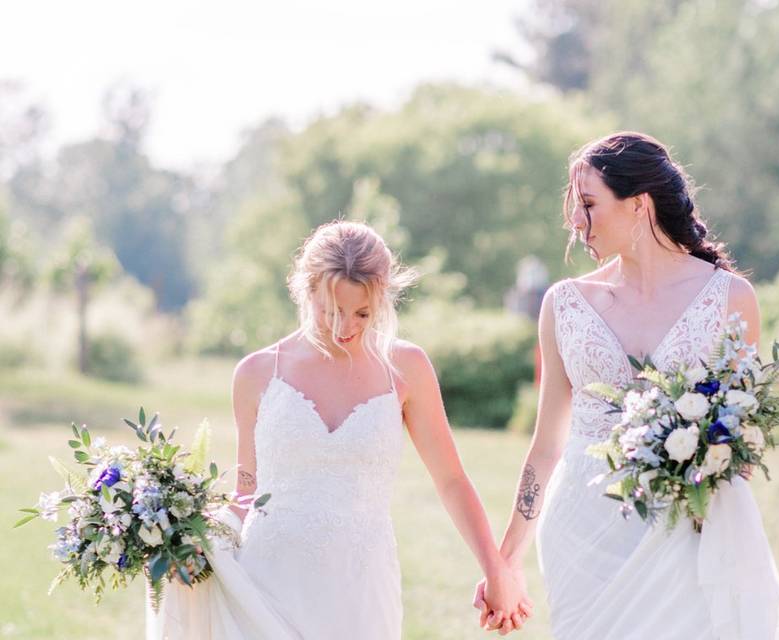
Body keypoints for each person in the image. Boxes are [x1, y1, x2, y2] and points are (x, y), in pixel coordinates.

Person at [474, 132, 779, 639]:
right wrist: (504, 561)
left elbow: (738, 437)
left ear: (639, 205)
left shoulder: (731, 298)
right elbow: (545, 446)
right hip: (581, 531)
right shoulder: (564, 304)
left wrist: (711, 522)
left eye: (588, 204)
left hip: (685, 527)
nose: (576, 222)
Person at [149, 220, 531, 639]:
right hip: (268, 580)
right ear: (305, 291)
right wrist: (199, 539)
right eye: (330, 311)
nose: (345, 327)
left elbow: (452, 480)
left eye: (362, 313)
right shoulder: (257, 373)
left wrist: (496, 570)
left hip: (361, 588)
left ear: (383, 298)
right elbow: (247, 489)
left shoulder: (406, 368)